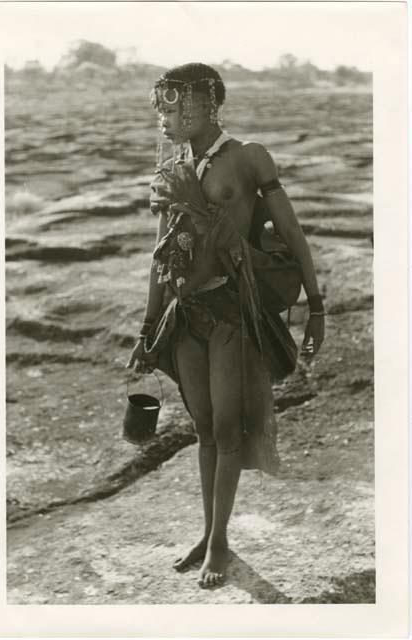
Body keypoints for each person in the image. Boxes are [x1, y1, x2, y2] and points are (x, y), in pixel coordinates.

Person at [127, 63, 325, 589]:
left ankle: (219, 542)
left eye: (174, 108)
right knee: (203, 428)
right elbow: (160, 259)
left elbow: (293, 233)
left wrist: (317, 306)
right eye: (162, 109)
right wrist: (149, 327)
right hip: (185, 317)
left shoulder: (248, 158)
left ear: (206, 104)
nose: (164, 119)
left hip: (232, 316)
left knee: (227, 426)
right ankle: (210, 530)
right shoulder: (172, 170)